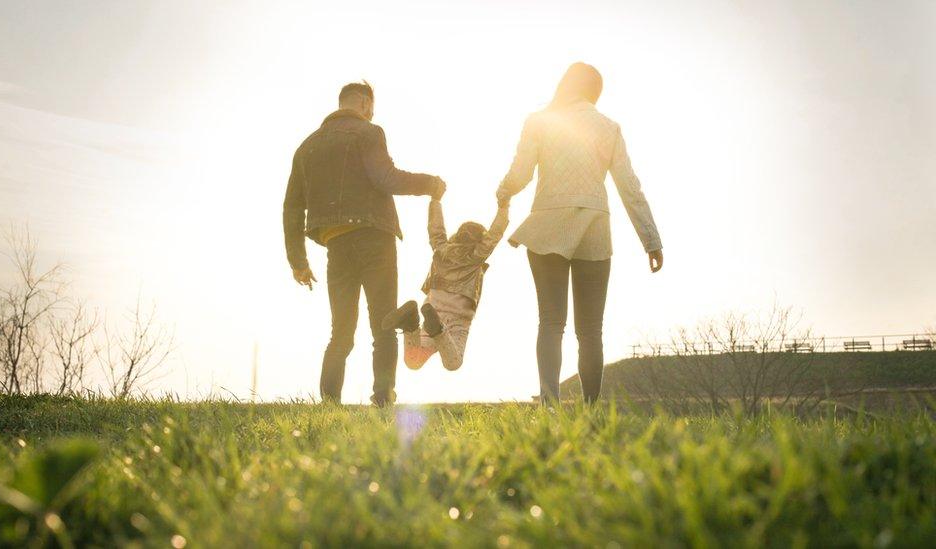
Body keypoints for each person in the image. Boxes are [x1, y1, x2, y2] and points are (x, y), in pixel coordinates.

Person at [496, 63, 664, 404]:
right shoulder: (609, 128)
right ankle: (591, 408)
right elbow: (629, 187)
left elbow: (521, 173)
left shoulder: (539, 121)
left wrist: (503, 193)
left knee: (550, 321)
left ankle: (549, 403)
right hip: (594, 230)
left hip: (547, 226)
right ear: (595, 93)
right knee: (591, 331)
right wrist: (651, 240)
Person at [283, 81, 446, 406]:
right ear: (361, 102)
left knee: (340, 332)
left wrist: (297, 261)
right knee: (384, 323)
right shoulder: (369, 133)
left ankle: (329, 404)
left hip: (336, 245)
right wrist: (430, 184)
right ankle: (383, 399)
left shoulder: (307, 147)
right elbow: (386, 177)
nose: (371, 113)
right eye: (370, 106)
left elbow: (291, 207)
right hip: (375, 238)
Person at [381, 191, 509, 371]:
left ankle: (411, 324)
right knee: (453, 363)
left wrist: (436, 200)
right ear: (480, 240)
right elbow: (495, 234)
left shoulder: (441, 249)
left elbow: (436, 229)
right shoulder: (476, 256)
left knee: (413, 362)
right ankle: (437, 330)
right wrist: (504, 207)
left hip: (432, 311)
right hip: (457, 321)